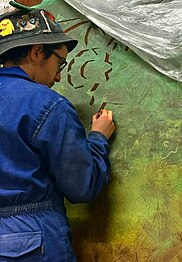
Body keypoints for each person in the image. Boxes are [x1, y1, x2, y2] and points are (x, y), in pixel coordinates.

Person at [0, 1, 115, 261]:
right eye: (61, 63)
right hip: (30, 243)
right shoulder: (47, 105)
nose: (58, 77)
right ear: (37, 52)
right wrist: (98, 138)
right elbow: (82, 187)